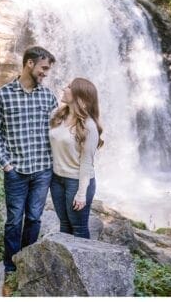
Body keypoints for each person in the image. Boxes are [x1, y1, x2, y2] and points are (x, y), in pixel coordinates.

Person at [0, 46, 58, 296]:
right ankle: (10, 268)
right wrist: (5, 163)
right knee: (14, 221)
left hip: (42, 169)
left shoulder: (48, 97)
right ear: (29, 64)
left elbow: (58, 131)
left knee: (35, 218)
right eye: (44, 68)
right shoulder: (3, 95)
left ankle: (26, 264)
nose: (46, 73)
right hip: (16, 171)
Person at [48, 78, 104, 239]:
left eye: (69, 87)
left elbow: (87, 162)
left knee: (78, 228)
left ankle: (83, 263)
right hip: (57, 179)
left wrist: (81, 194)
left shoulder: (89, 126)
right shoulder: (58, 116)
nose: (64, 88)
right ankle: (67, 264)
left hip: (76, 181)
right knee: (64, 225)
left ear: (79, 96)